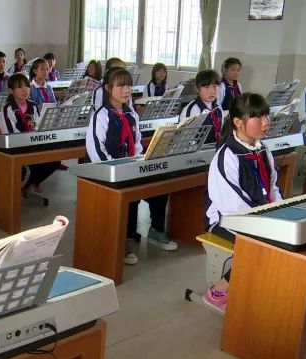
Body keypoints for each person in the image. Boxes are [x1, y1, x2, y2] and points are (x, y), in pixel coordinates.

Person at [86, 68, 176, 265]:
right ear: (109, 89)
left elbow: (136, 144)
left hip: (130, 166)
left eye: (128, 85)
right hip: (108, 170)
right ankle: (123, 239)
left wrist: (138, 162)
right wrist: (116, 169)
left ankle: (156, 230)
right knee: (129, 196)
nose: (126, 90)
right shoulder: (101, 115)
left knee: (161, 185)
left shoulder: (131, 115)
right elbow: (95, 149)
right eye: (120, 86)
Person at [203, 93, 279, 312]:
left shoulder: (263, 149)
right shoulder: (226, 155)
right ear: (238, 122)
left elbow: (273, 187)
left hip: (257, 217)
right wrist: (265, 226)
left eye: (266, 116)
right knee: (264, 246)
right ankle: (217, 291)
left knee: (283, 242)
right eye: (257, 117)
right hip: (226, 220)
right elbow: (232, 205)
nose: (265, 122)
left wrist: (280, 214)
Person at [1, 73, 58, 194]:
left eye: (26, 86)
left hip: (34, 143)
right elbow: (10, 133)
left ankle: (31, 183)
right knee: (23, 168)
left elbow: (38, 126)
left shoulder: (32, 105)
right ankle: (24, 184)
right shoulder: (8, 109)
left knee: (54, 160)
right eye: (19, 87)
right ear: (11, 90)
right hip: (17, 146)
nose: (24, 90)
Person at [180, 69, 223, 144]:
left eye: (215, 86)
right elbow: (186, 140)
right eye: (207, 87)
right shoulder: (192, 110)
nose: (212, 91)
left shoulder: (218, 108)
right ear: (197, 89)